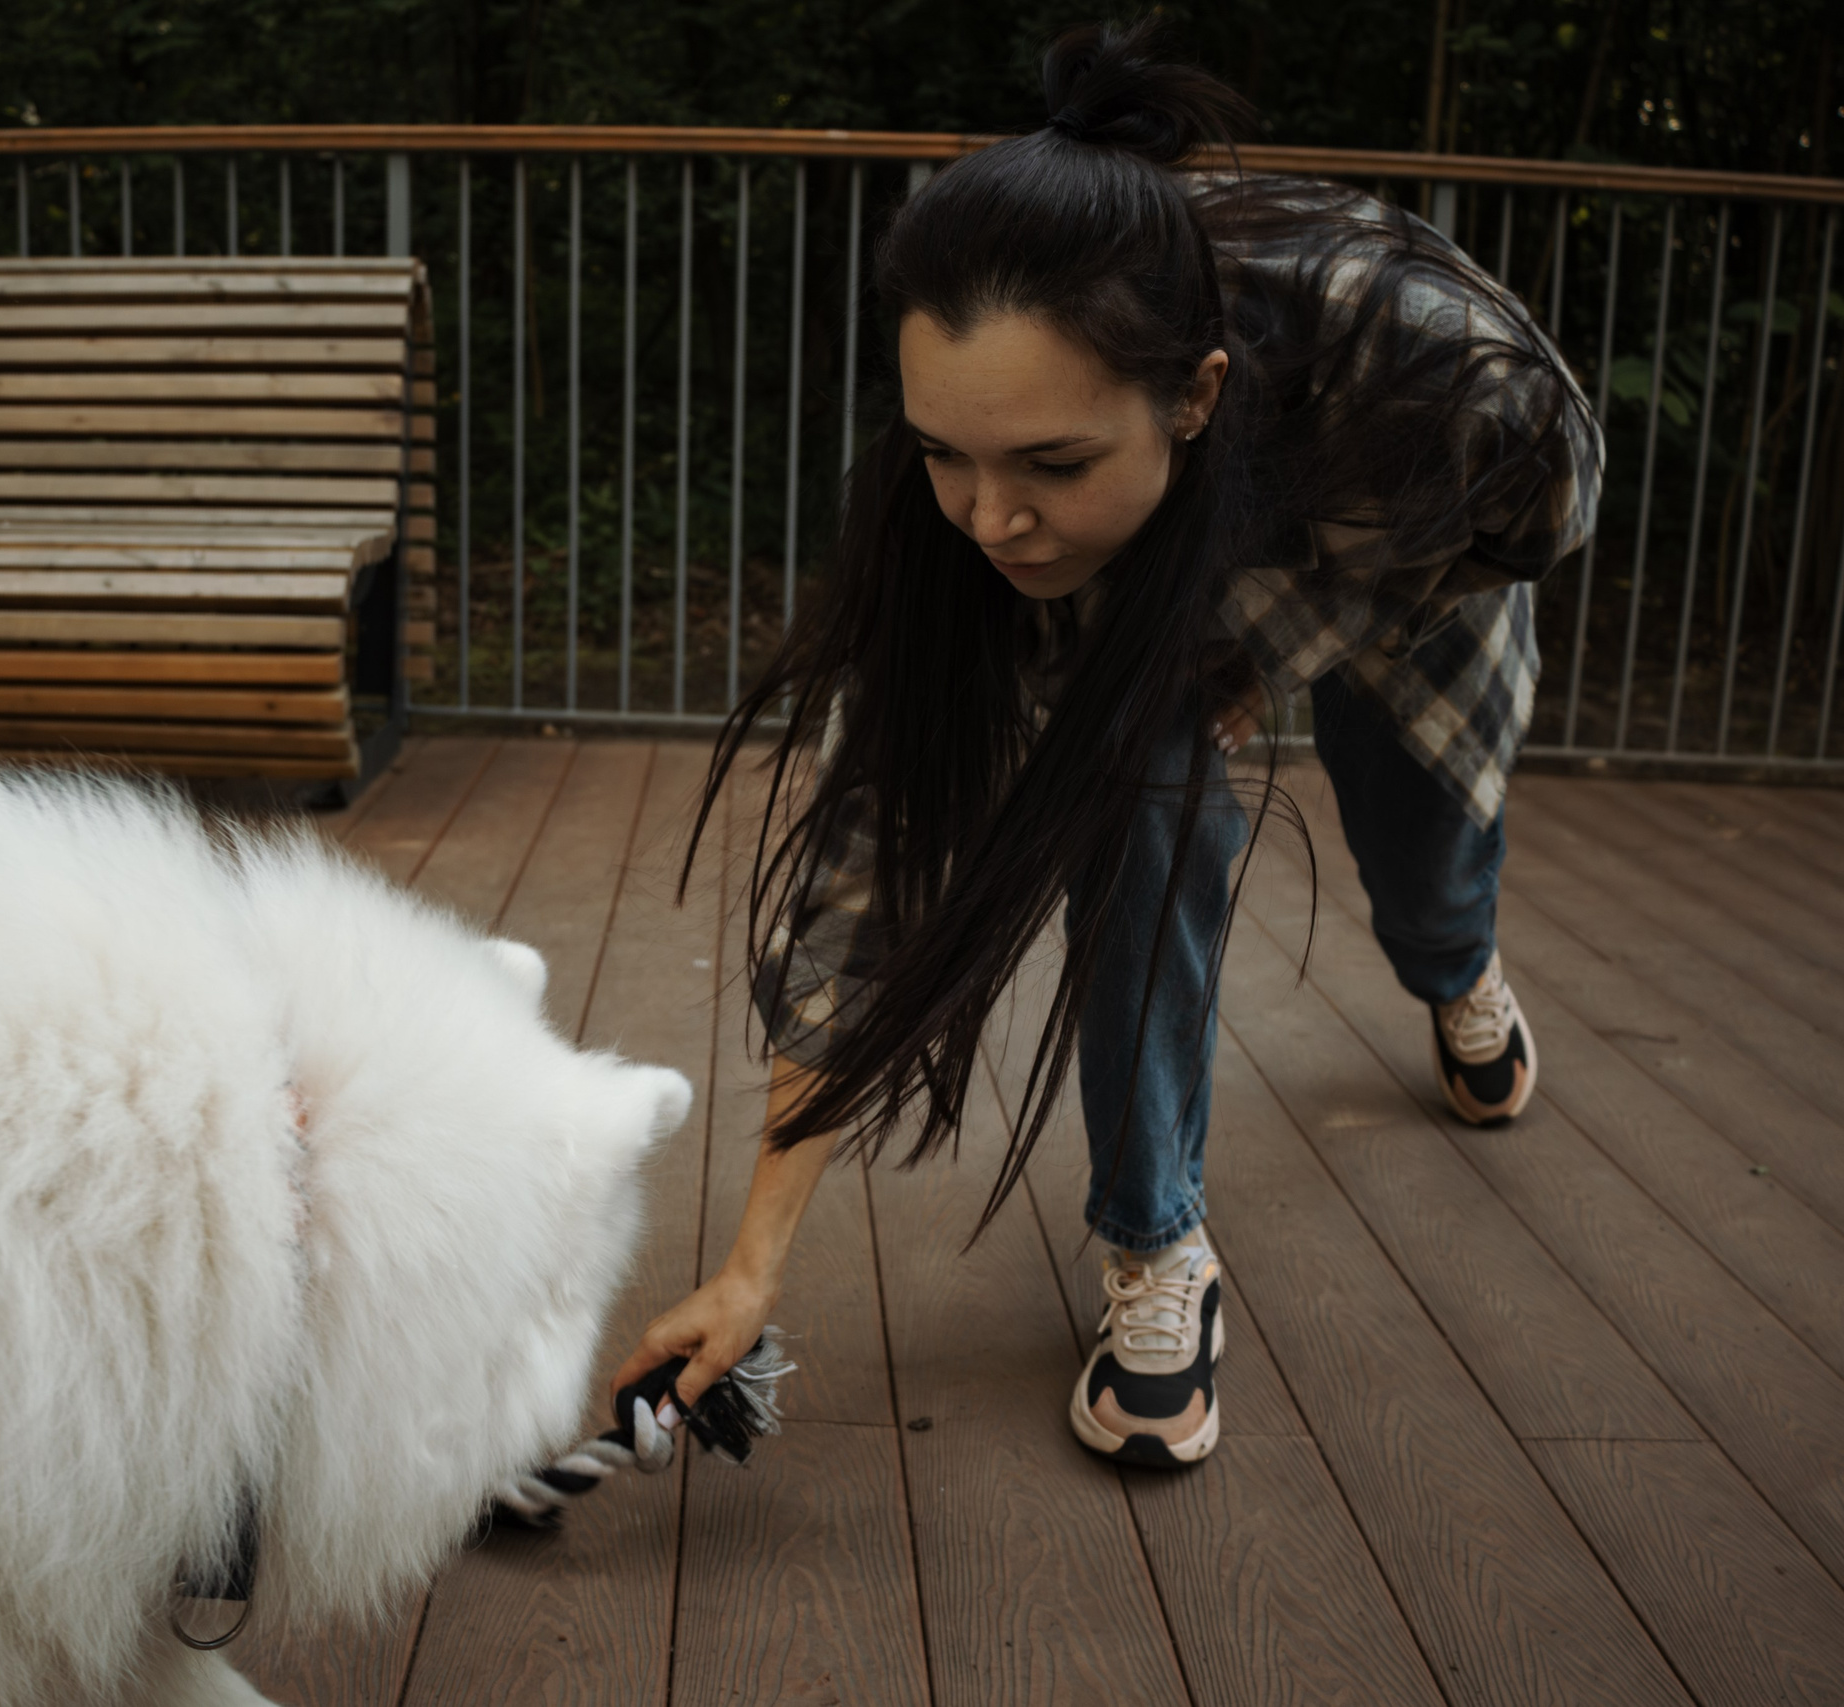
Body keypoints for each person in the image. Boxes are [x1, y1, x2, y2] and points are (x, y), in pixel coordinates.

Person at [610, 21, 1599, 1470]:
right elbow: (861, 888)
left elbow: (1545, 516)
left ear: (1193, 394)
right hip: (1160, 613)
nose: (989, 520)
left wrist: (1265, 645)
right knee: (1137, 797)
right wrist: (756, 1260)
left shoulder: (1440, 373)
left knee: (1428, 865)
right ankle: (1157, 1246)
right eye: (946, 451)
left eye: (1051, 465)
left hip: (1418, 563)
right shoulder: (982, 516)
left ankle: (1459, 970)